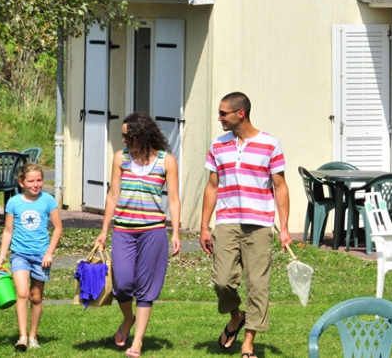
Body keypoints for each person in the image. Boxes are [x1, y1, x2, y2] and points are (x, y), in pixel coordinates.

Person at [199, 92, 291, 358]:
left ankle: (248, 342)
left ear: (241, 113)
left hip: (260, 225)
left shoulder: (271, 144)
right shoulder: (218, 145)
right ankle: (236, 316)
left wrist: (283, 228)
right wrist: (204, 227)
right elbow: (212, 187)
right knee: (222, 281)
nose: (219, 118)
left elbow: (280, 187)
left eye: (223, 113)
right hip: (226, 222)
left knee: (258, 285)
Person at [92, 111, 182, 358]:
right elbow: (112, 195)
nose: (123, 140)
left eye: (127, 135)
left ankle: (138, 342)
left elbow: (173, 199)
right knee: (122, 285)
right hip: (123, 231)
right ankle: (127, 318)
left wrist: (175, 231)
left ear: (141, 134)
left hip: (153, 232)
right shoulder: (120, 158)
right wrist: (103, 230)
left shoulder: (167, 161)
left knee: (145, 288)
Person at [0, 162, 63, 351]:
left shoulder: (48, 200)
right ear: (21, 182)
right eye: (31, 181)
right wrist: (2, 256)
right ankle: (22, 337)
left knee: (36, 297)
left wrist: (49, 252)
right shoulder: (14, 202)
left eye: (39, 180)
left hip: (42, 256)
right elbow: (8, 231)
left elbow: (58, 228)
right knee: (22, 293)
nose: (36, 184)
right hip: (20, 255)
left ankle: (33, 336)